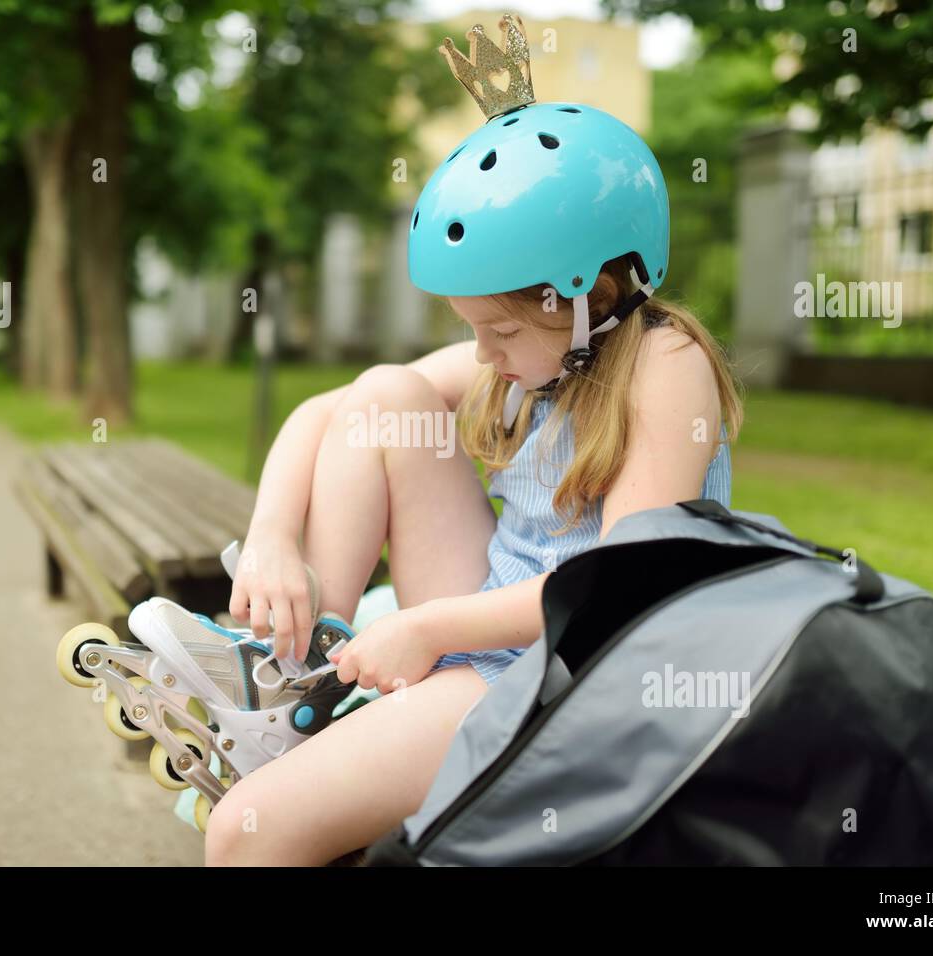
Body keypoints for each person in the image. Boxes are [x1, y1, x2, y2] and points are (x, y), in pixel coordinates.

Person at [202, 14, 742, 865]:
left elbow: (616, 587)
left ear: (585, 295)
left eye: (498, 331)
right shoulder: (537, 349)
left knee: (242, 833)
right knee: (384, 392)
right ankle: (291, 679)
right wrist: (272, 536)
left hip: (571, 677)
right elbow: (321, 413)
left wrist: (431, 629)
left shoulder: (664, 365)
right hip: (487, 630)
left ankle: (290, 709)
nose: (483, 357)